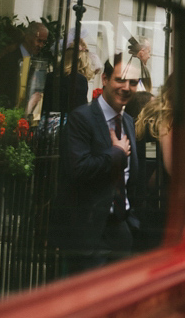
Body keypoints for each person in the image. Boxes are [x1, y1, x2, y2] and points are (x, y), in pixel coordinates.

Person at [52, 54, 144, 270]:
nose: (126, 87)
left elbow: (133, 178)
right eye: (120, 80)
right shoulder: (82, 118)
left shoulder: (128, 121)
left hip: (121, 230)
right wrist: (116, 154)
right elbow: (78, 169)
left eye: (132, 82)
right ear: (104, 79)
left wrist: (131, 221)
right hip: (90, 237)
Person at [134, 79, 175, 250]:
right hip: (161, 195)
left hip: (144, 191)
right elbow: (171, 165)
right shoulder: (166, 117)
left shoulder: (151, 111)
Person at [0, 21, 49, 108]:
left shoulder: (37, 62)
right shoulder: (9, 59)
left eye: (44, 42)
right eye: (39, 40)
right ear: (28, 37)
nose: (41, 45)